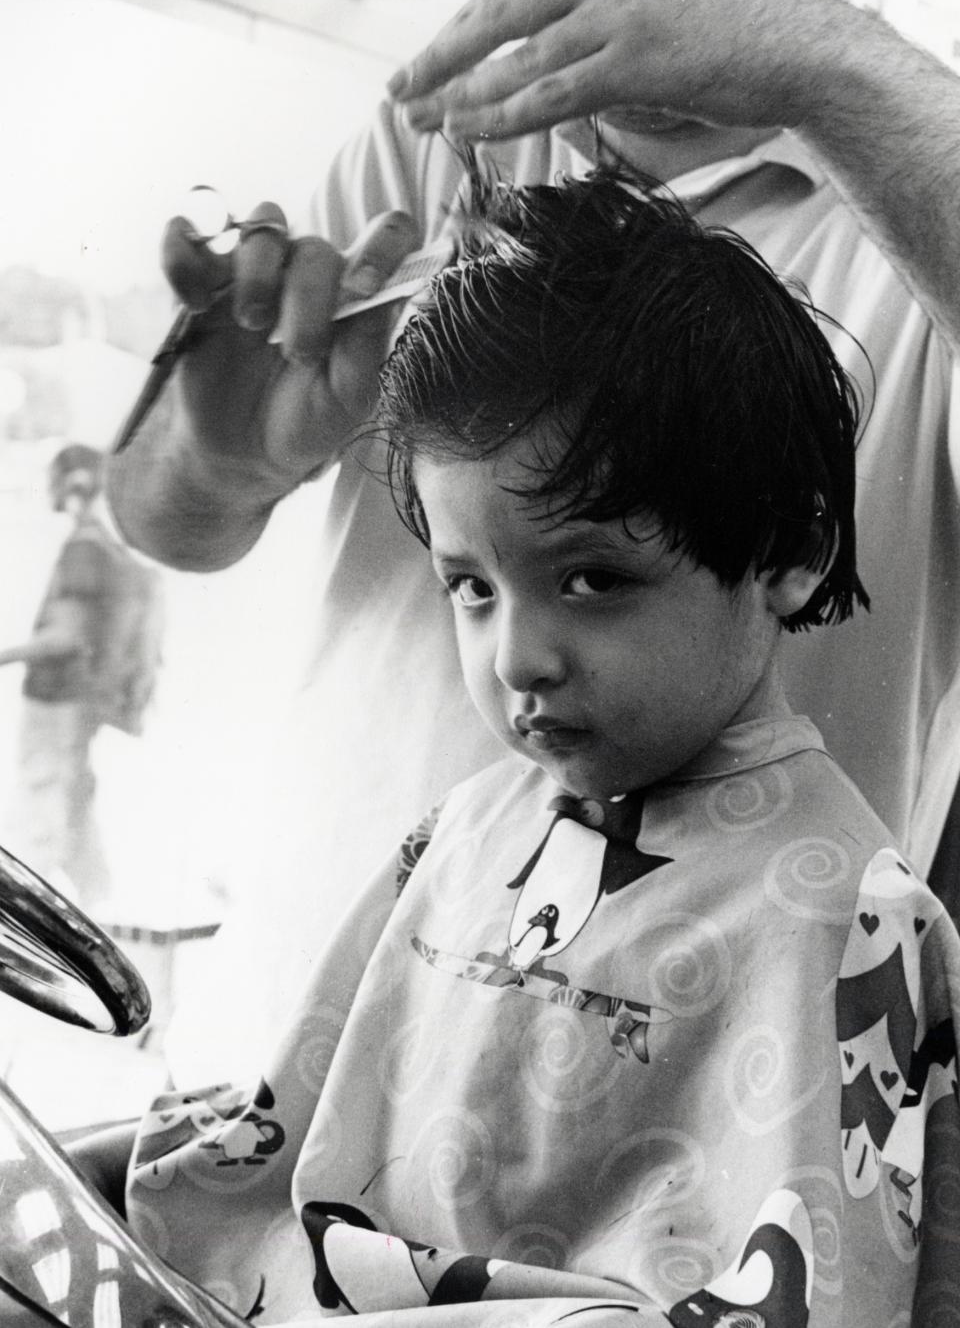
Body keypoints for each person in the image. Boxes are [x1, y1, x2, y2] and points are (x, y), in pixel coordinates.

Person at [106, 0, 960, 1081]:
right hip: (300, 1060)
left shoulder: (913, 185)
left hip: (691, 1144)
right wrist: (234, 448)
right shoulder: (440, 142)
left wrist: (806, 62)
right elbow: (162, 518)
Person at [97, 173, 960, 1327]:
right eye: (471, 587)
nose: (519, 658)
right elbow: (281, 1169)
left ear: (788, 544)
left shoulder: (844, 914)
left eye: (592, 578)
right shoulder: (456, 836)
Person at [0, 443, 164, 909]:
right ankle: (100, 912)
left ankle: (23, 933)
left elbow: (65, 640)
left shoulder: (83, 551)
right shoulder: (114, 553)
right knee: (70, 818)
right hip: (78, 709)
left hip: (53, 708)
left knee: (35, 829)